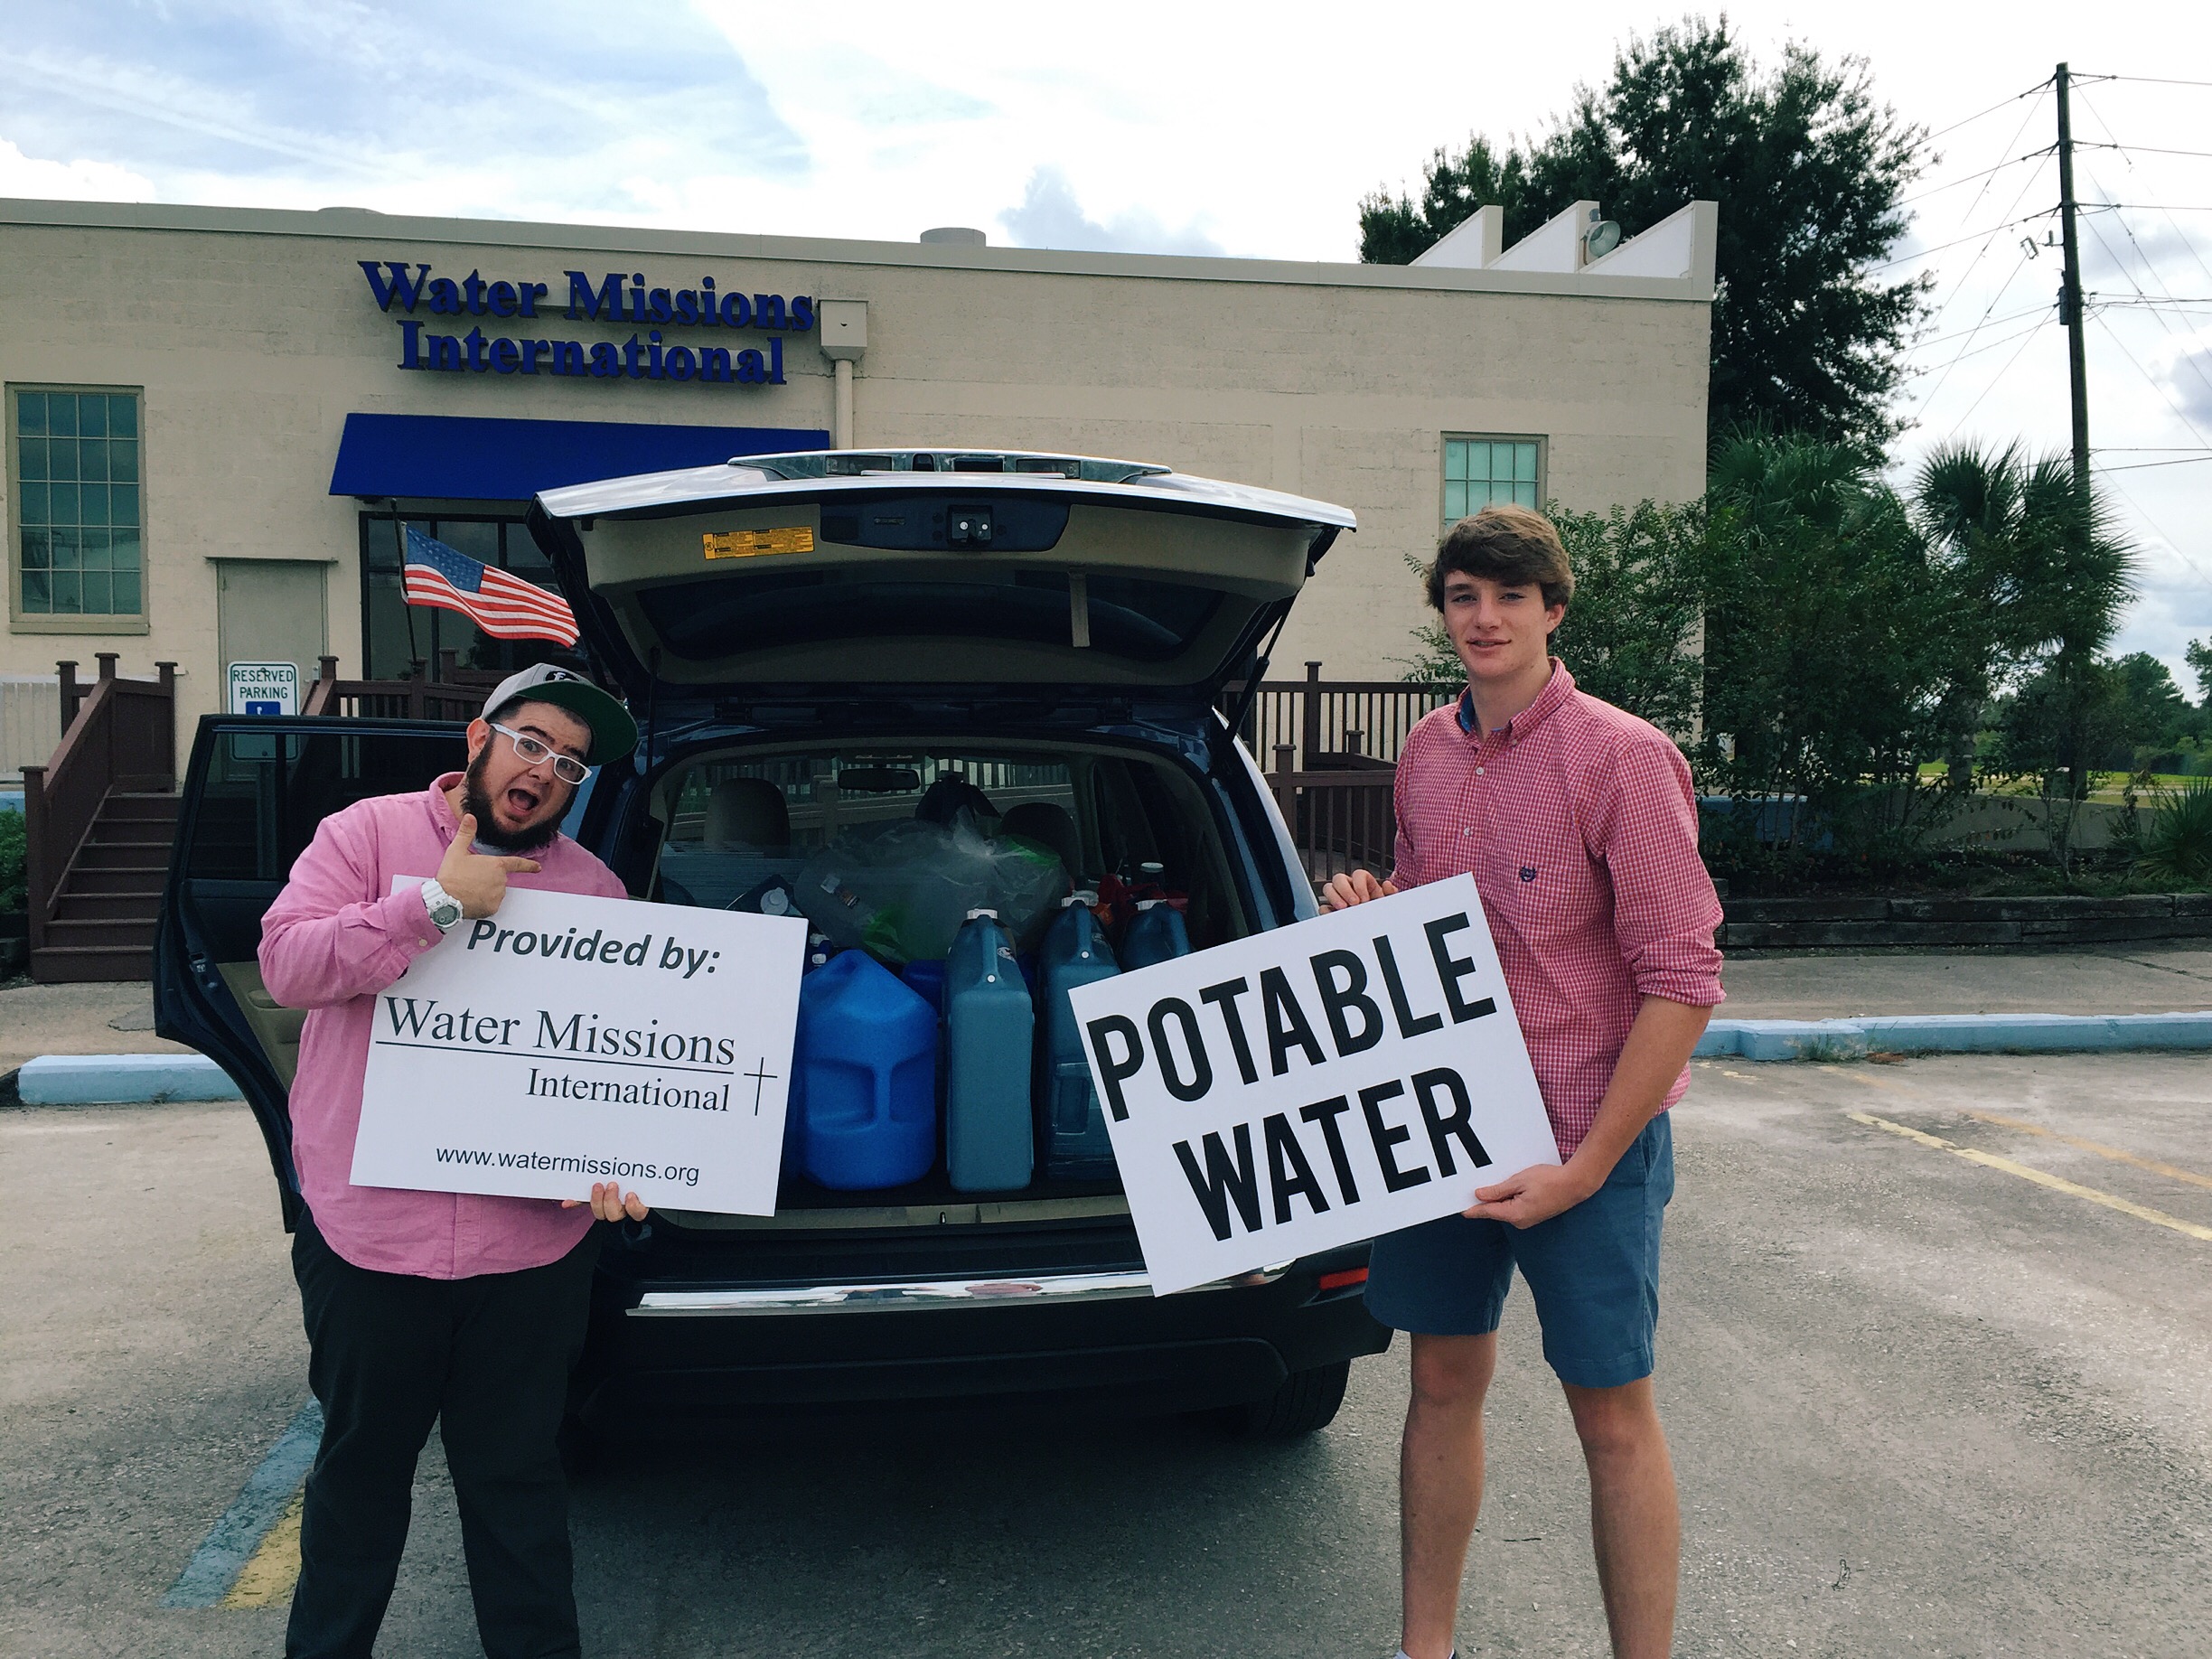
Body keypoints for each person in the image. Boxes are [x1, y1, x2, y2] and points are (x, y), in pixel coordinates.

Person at [1320, 505, 1723, 1659]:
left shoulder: (1623, 756)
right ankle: (1424, 1648)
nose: (1483, 618)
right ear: (1443, 613)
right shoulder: (1425, 752)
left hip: (1583, 1137)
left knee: (1612, 1417)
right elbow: (1430, 912)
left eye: (1507, 596)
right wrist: (1370, 907)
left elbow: (1683, 979)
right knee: (1440, 1383)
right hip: (1443, 1131)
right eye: (1461, 596)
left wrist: (1588, 1167)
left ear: (1555, 608)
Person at [259, 662, 644, 1659]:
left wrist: (618, 1164)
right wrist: (434, 903)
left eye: (571, 762)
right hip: (371, 1242)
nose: (546, 770)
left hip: (529, 1257)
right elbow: (288, 965)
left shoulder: (595, 890)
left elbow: (605, 1066)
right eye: (531, 742)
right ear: (478, 740)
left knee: (518, 1492)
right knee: (357, 1485)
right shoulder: (364, 835)